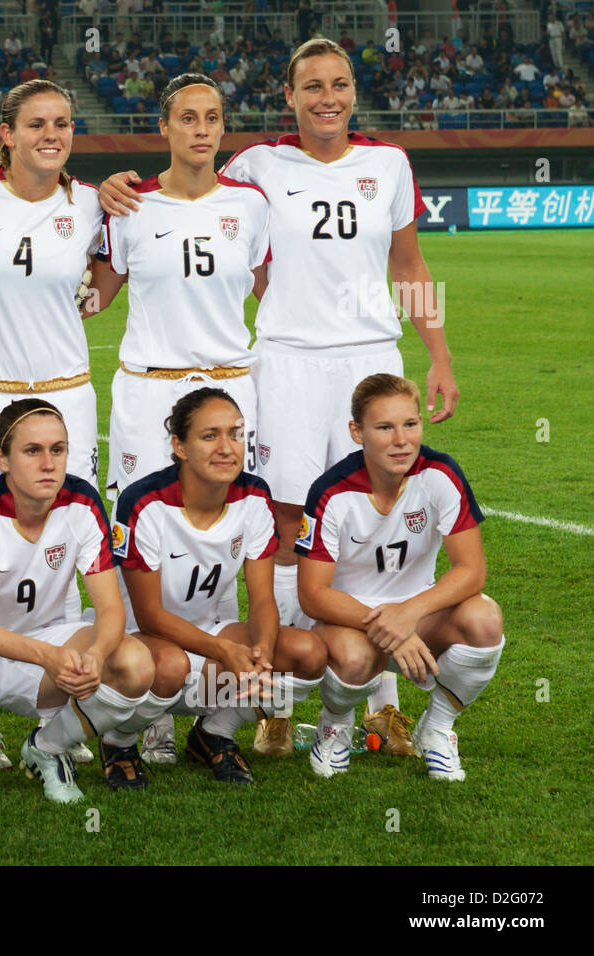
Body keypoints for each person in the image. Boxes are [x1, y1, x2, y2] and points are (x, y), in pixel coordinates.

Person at [98, 38, 459, 752]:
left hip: (370, 359)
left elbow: (411, 263)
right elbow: (201, 208)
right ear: (288, 97)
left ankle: (376, 696)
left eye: (340, 84)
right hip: (287, 363)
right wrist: (110, 189)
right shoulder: (256, 166)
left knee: (371, 515)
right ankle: (281, 702)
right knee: (290, 519)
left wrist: (438, 352)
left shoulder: (387, 164)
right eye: (312, 86)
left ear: (355, 92)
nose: (328, 97)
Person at [86, 73, 269, 765]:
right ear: (163, 127)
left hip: (228, 391)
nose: (201, 129)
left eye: (213, 117)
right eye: (187, 117)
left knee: (223, 537)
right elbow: (97, 294)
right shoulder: (130, 205)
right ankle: (148, 702)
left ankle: (218, 708)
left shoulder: (251, 207)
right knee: (142, 537)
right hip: (148, 393)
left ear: (224, 129)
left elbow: (266, 290)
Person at [0, 79, 104, 771]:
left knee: (67, 543)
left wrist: (84, 303)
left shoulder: (95, 203)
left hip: (65, 395)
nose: (51, 134)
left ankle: (56, 705)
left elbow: (106, 277)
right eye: (36, 122)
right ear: (5, 132)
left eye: (63, 123)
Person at [0, 399, 154, 808]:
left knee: (133, 663)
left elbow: (111, 608)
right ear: (2, 458)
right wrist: (46, 656)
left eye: (57, 450)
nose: (48, 463)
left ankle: (47, 746)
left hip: (42, 638)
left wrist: (95, 654)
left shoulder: (83, 503)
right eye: (32, 451)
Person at [113, 388, 326, 784]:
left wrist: (261, 651)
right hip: (140, 643)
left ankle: (214, 733)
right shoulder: (144, 502)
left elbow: (262, 598)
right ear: (179, 445)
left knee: (306, 652)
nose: (227, 447)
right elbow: (149, 615)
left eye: (236, 433)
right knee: (170, 665)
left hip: (210, 634)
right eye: (210, 436)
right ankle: (119, 740)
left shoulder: (254, 495)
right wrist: (225, 651)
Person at [298, 375, 503, 781]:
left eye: (411, 424)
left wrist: (408, 614)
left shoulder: (441, 473)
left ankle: (437, 729)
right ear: (357, 432)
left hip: (418, 617)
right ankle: (334, 727)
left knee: (485, 619)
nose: (401, 440)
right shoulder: (331, 491)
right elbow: (313, 594)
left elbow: (471, 570)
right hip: (346, 622)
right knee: (356, 658)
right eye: (384, 427)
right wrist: (390, 625)